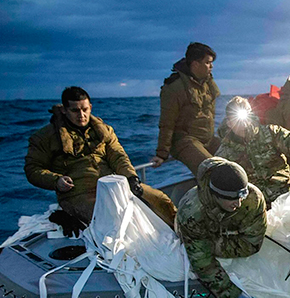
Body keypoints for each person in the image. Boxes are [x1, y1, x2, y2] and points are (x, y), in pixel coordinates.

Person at [25, 86, 177, 226]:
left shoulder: (104, 130)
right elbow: (32, 169)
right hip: (77, 193)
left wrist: (131, 178)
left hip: (113, 185)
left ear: (90, 107)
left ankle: (184, 237)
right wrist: (56, 180)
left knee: (161, 200)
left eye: (85, 109)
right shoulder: (45, 137)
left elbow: (118, 156)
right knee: (111, 218)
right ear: (64, 110)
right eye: (75, 110)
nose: (81, 115)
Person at [175, 157, 267, 298]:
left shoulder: (253, 198)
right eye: (231, 199)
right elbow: (202, 262)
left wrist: (217, 242)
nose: (238, 204)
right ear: (216, 195)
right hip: (196, 233)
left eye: (240, 197)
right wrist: (234, 295)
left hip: (218, 235)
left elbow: (252, 243)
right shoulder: (191, 212)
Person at [151, 42, 220, 174]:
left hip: (208, 139)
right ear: (195, 64)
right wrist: (162, 154)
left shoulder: (208, 83)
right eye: (208, 62)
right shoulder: (174, 87)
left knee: (238, 158)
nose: (211, 66)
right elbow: (167, 122)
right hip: (185, 141)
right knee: (213, 170)